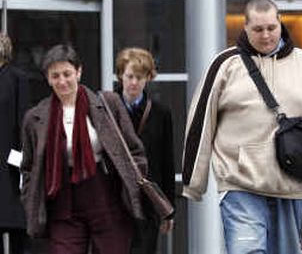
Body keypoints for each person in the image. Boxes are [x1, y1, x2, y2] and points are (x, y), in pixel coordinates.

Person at [182, 0, 302, 254]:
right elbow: (201, 121)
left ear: (280, 23)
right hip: (240, 183)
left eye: (272, 27)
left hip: (290, 183)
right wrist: (194, 182)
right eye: (258, 29)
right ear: (245, 27)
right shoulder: (225, 65)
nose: (266, 35)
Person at [20, 44, 148, 254]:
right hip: (62, 202)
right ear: (48, 78)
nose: (62, 81)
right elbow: (28, 167)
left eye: (67, 74)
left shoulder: (108, 104)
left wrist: (133, 185)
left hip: (106, 199)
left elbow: (135, 151)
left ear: (79, 72)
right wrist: (30, 199)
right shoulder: (35, 118)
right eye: (55, 75)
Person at [115, 47, 175, 254]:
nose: (133, 83)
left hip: (147, 199)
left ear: (148, 78)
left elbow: (167, 161)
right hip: (113, 196)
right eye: (130, 76)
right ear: (120, 75)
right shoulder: (105, 108)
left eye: (139, 77)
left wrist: (168, 210)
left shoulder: (160, 113)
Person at [0, 33, 29, 254]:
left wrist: (22, 161)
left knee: (19, 230)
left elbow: (24, 121)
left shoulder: (17, 77)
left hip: (11, 165)